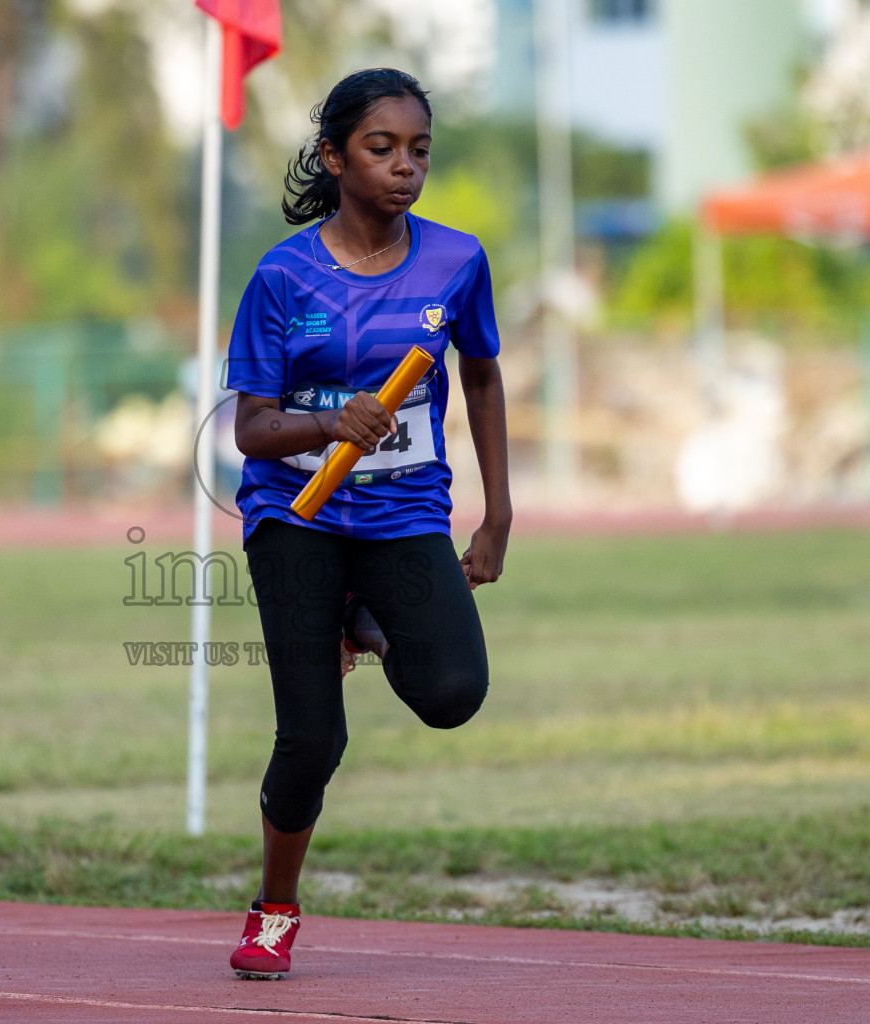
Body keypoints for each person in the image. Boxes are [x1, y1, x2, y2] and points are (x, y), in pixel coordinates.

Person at [224, 68, 512, 979]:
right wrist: (329, 421)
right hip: (295, 514)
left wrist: (497, 510)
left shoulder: (456, 261)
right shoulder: (282, 277)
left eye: (419, 150)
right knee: (314, 738)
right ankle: (274, 910)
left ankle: (367, 618)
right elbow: (252, 430)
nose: (404, 168)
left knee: (454, 691)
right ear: (333, 157)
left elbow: (482, 375)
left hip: (404, 513)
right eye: (381, 148)